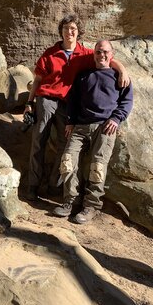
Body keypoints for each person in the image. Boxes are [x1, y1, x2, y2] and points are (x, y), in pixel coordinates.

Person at [24, 14, 129, 200]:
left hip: (68, 104)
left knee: (65, 146)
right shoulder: (50, 53)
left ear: (78, 32)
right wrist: (29, 104)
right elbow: (38, 80)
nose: (69, 32)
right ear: (61, 32)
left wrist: (122, 70)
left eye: (73, 28)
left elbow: (107, 58)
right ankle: (33, 185)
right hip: (47, 99)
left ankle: (53, 185)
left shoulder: (86, 53)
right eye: (65, 28)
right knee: (39, 139)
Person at [53, 39, 133, 224]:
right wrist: (70, 122)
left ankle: (91, 206)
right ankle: (70, 202)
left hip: (105, 127)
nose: (101, 55)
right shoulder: (83, 76)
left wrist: (116, 118)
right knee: (67, 161)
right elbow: (72, 102)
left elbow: (127, 102)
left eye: (105, 52)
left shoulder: (119, 76)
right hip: (80, 126)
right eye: (98, 52)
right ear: (94, 54)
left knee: (97, 167)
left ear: (111, 54)